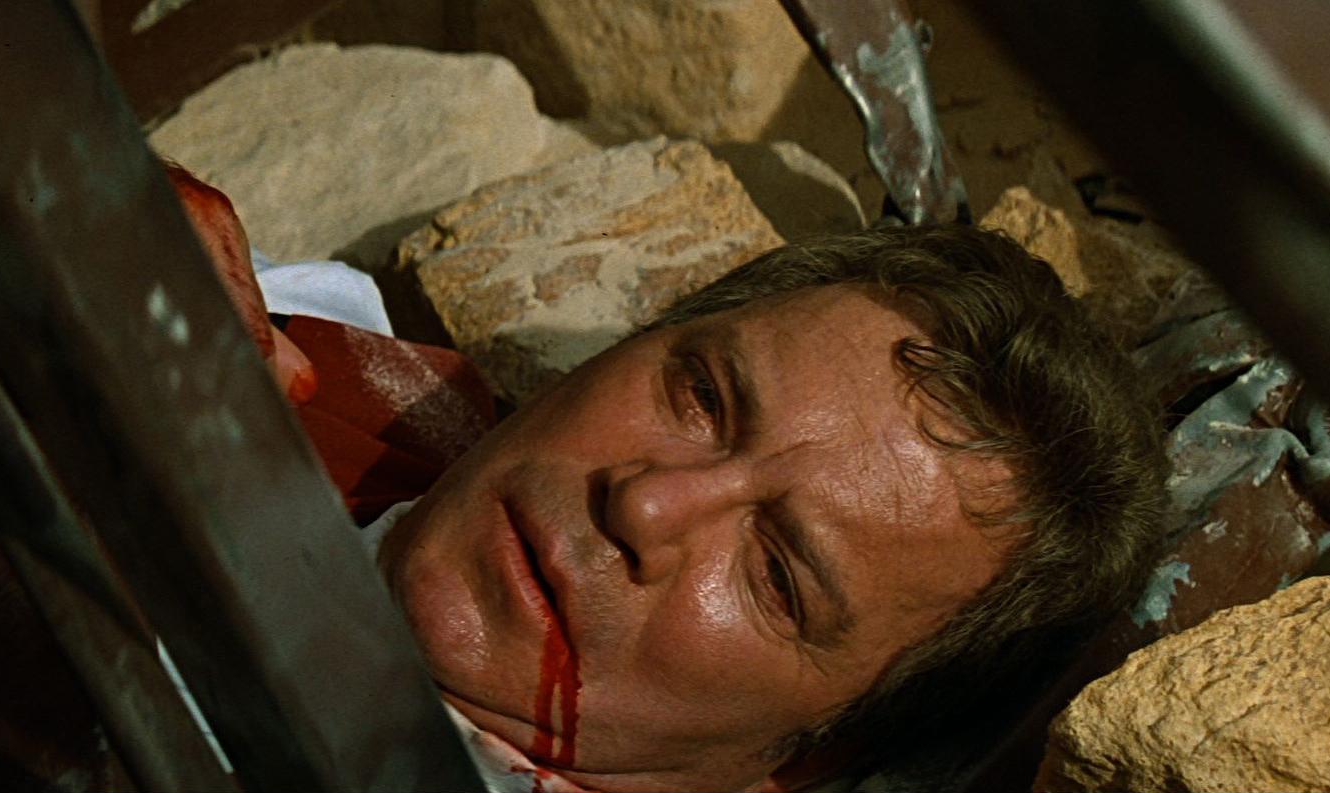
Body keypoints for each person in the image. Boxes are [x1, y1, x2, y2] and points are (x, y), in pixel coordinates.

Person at [357, 226, 1170, 791]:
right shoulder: (317, 358)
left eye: (777, 577)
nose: (646, 503)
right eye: (702, 397)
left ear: (810, 757)